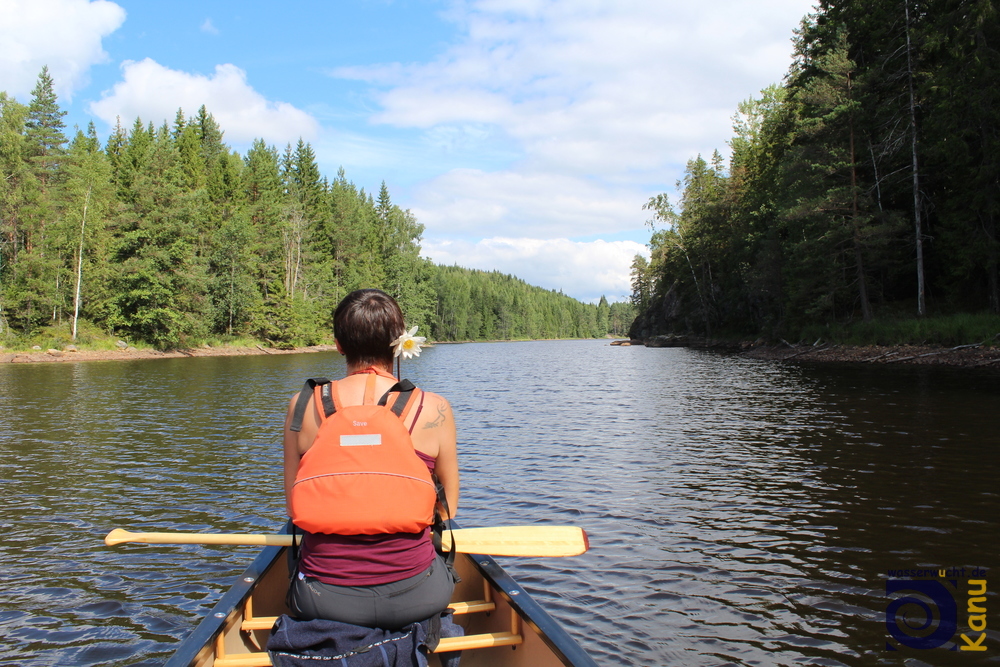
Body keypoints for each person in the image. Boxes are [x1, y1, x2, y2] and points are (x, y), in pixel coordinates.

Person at [282, 289, 460, 630]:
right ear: (398, 344)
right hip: (418, 593)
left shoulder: (301, 405)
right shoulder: (435, 408)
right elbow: (447, 506)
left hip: (322, 597)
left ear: (338, 344)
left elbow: (294, 506)